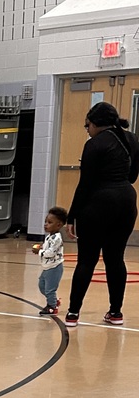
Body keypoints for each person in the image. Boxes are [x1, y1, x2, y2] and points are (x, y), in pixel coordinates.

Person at [64, 102, 139, 328]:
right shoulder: (133, 139)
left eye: (87, 125)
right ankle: (116, 313)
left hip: (98, 203)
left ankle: (73, 314)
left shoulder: (94, 144)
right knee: (115, 258)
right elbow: (132, 176)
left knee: (87, 259)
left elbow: (84, 184)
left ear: (95, 123)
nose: (87, 129)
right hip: (127, 200)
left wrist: (71, 217)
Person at [32, 206, 67, 316]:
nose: (46, 224)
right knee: (42, 286)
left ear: (58, 225)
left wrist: (39, 251)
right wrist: (42, 248)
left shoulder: (57, 238)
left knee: (50, 289)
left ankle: (52, 306)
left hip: (54, 267)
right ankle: (54, 301)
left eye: (50, 222)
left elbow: (51, 253)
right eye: (46, 221)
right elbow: (47, 248)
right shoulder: (49, 237)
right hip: (47, 267)